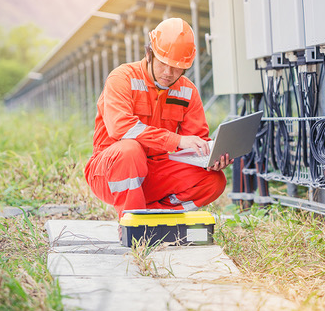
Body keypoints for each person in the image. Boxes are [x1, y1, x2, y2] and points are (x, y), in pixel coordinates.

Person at [84, 18, 231, 219]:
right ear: (149, 53)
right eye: (163, 63)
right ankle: (133, 224)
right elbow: (121, 128)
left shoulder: (187, 91)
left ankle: (159, 217)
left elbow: (196, 141)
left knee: (214, 181)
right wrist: (176, 140)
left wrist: (210, 157)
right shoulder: (122, 78)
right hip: (110, 171)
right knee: (130, 150)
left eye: (177, 67)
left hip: (153, 172)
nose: (168, 73)